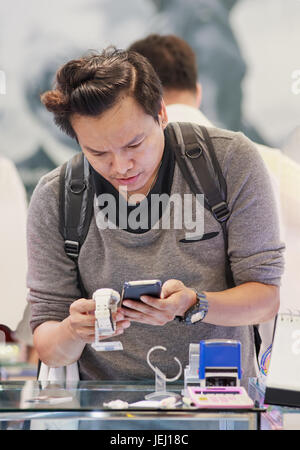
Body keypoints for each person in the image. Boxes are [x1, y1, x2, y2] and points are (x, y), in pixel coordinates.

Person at [27, 47, 284, 385]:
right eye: (98, 152)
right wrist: (73, 329)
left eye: (134, 144)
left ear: (162, 114)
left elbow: (265, 299)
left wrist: (194, 303)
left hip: (220, 401)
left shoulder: (229, 162)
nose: (120, 167)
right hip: (104, 411)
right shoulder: (55, 196)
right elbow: (49, 346)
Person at [129, 33, 300, 353]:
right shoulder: (270, 164)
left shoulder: (105, 171)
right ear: (198, 91)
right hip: (247, 368)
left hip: (122, 372)